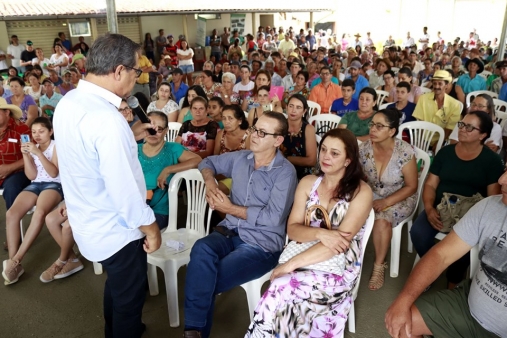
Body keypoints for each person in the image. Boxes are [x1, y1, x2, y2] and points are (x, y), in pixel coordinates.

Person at [53, 33, 162, 337]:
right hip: (116, 228)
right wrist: (151, 229)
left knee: (116, 283)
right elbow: (125, 192)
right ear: (118, 71)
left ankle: (112, 330)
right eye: (135, 72)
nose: (137, 79)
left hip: (87, 219)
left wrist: (129, 134)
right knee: (129, 299)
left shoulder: (69, 101)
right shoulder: (106, 120)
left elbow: (83, 156)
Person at [245, 127, 372, 337]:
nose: (325, 157)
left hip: (338, 266)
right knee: (283, 291)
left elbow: (338, 246)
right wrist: (321, 234)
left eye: (335, 153)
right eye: (323, 150)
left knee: (281, 287)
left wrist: (291, 265)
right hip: (305, 251)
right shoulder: (308, 183)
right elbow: (293, 229)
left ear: (348, 160)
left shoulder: (361, 192)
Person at [183, 112, 297, 338]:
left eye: (263, 133)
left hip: (261, 243)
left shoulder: (285, 172)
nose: (254, 135)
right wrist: (209, 182)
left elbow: (273, 218)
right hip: (229, 230)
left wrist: (230, 209)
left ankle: (192, 331)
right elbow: (206, 162)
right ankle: (194, 332)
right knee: (201, 248)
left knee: (205, 277)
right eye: (255, 129)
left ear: (278, 140)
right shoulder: (240, 158)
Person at [386, 171, 507, 338]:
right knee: (402, 325)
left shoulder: (488, 161)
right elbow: (441, 254)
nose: (502, 179)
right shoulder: (491, 206)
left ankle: (453, 279)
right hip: (467, 305)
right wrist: (403, 300)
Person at [410, 110, 503, 289]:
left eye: (470, 127)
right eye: (462, 125)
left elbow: (493, 197)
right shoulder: (446, 153)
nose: (462, 129)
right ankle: (433, 265)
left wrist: (476, 220)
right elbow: (430, 185)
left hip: (471, 213)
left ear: (482, 135)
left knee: (466, 245)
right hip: (441, 207)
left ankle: (453, 279)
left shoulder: (491, 161)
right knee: (418, 233)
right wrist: (429, 208)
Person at [359, 109, 418, 290]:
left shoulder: (404, 152)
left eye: (379, 126)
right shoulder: (365, 149)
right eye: (372, 124)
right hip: (373, 193)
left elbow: (411, 186)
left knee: (382, 220)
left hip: (401, 196)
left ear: (391, 131)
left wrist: (386, 202)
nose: (373, 129)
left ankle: (379, 266)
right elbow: (361, 178)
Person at [3, 117, 63, 285]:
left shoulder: (56, 146)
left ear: (50, 132)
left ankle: (16, 260)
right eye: (34, 132)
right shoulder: (33, 147)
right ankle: (14, 263)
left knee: (39, 213)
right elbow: (31, 176)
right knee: (11, 214)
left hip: (54, 184)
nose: (37, 135)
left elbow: (53, 173)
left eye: (41, 131)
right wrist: (27, 156)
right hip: (36, 184)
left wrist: (38, 154)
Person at [139, 111, 201, 230]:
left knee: (139, 234)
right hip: (134, 207)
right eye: (150, 129)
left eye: (159, 129)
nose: (153, 133)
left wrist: (168, 169)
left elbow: (197, 160)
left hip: (159, 209)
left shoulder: (173, 149)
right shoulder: (134, 150)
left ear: (166, 130)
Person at [412, 70, 462, 141]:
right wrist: (423, 141)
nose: (436, 86)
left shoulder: (455, 104)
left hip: (443, 139)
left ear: (446, 85)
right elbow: (420, 121)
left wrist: (440, 141)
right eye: (434, 83)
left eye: (440, 84)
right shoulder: (423, 98)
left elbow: (450, 127)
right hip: (424, 138)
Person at [282, 94, 317, 180]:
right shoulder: (280, 125)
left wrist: (285, 159)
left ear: (304, 111)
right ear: (286, 107)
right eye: (291, 106)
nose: (293, 110)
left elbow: (311, 161)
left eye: (298, 107)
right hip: (281, 170)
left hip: (302, 174)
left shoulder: (308, 129)